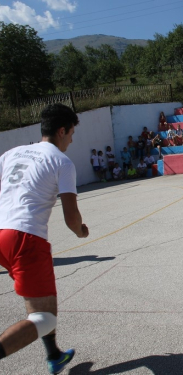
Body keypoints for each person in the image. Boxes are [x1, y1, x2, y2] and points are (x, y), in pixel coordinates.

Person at [0, 103, 89, 374]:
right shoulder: (61, 161)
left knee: (41, 303)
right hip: (25, 239)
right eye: (72, 133)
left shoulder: (10, 154)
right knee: (45, 318)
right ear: (62, 131)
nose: (72, 139)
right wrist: (80, 230)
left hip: (2, 234)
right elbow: (71, 217)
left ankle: (54, 355)